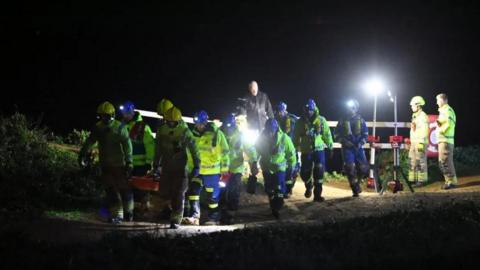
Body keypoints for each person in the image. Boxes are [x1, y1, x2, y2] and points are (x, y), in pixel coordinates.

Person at [79, 101, 133, 224]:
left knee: (124, 190)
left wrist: (129, 162)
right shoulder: (98, 127)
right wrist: (83, 153)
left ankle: (129, 213)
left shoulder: (120, 127)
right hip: (105, 165)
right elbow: (90, 141)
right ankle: (117, 216)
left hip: (119, 165)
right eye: (103, 116)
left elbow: (127, 145)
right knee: (111, 190)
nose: (105, 118)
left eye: (107, 116)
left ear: (112, 115)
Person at [152, 106, 201, 229]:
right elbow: (158, 149)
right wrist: (156, 163)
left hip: (181, 167)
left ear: (179, 121)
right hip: (167, 167)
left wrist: (197, 165)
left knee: (179, 193)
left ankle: (176, 219)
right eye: (169, 121)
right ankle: (167, 212)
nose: (171, 124)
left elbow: (194, 149)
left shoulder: (185, 131)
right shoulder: (162, 130)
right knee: (164, 192)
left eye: (174, 122)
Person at [183, 110, 230, 225]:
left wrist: (224, 169)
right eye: (197, 123)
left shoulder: (217, 134)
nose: (198, 126)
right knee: (193, 191)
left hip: (212, 171)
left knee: (212, 197)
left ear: (205, 122)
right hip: (197, 170)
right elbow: (189, 154)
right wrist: (189, 168)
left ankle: (213, 218)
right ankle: (195, 217)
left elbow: (225, 152)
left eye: (201, 123)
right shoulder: (192, 135)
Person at [219, 113, 257, 224]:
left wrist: (253, 162)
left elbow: (250, 148)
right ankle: (221, 212)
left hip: (236, 169)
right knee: (221, 190)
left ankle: (231, 214)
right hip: (222, 170)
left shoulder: (241, 135)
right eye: (227, 127)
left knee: (233, 191)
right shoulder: (220, 134)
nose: (229, 129)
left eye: (231, 127)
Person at [293, 99, 334, 202]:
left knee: (319, 172)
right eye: (306, 110)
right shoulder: (300, 122)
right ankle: (309, 185)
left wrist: (330, 147)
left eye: (310, 110)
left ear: (314, 109)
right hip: (306, 151)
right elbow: (295, 137)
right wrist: (294, 150)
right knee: (304, 173)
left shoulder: (321, 120)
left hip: (319, 150)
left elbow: (327, 134)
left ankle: (317, 195)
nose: (308, 112)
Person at [256, 119, 297, 218]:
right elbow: (256, 151)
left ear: (276, 129)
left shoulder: (284, 138)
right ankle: (273, 206)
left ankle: (276, 208)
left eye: (272, 130)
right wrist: (253, 163)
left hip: (279, 169)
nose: (270, 133)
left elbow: (291, 153)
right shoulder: (261, 138)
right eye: (268, 130)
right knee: (269, 190)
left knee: (279, 191)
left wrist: (292, 166)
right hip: (266, 168)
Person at [119, 101, 155, 212]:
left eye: (127, 113)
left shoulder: (142, 127)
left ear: (132, 112)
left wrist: (149, 163)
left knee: (142, 190)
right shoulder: (121, 126)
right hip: (126, 163)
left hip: (141, 165)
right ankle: (130, 211)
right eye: (124, 113)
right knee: (127, 188)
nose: (125, 115)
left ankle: (143, 211)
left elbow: (150, 146)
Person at [335, 100, 369, 197]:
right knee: (350, 168)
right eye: (348, 108)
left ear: (355, 108)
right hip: (347, 148)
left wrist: (361, 142)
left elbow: (365, 134)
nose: (349, 109)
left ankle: (358, 183)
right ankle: (354, 188)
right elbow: (336, 134)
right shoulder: (342, 120)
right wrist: (344, 142)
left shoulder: (361, 120)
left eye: (351, 107)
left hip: (358, 148)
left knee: (364, 168)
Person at [274, 101, 300, 198]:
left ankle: (289, 189)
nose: (279, 113)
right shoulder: (275, 120)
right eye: (277, 111)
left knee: (293, 169)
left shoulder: (292, 119)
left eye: (280, 111)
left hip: (292, 147)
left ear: (284, 110)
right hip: (281, 148)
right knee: (281, 168)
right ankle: (284, 189)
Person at [436, 93, 457, 189]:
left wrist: (441, 131)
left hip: (446, 140)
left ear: (442, 100)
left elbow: (449, 124)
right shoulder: (443, 111)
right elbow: (443, 124)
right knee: (442, 161)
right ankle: (448, 181)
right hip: (443, 140)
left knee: (446, 161)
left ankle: (452, 182)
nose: (436, 103)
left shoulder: (447, 110)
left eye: (437, 100)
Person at [408, 96, 429, 187]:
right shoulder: (415, 115)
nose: (411, 107)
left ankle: (421, 181)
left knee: (421, 161)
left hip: (420, 142)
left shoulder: (423, 116)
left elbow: (424, 131)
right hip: (414, 142)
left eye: (413, 105)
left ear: (418, 105)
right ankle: (412, 180)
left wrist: (421, 143)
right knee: (412, 160)